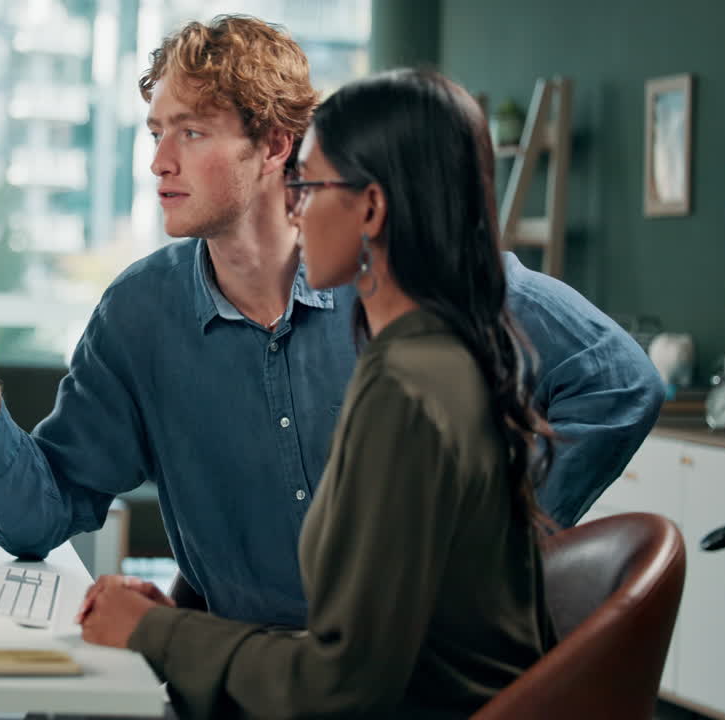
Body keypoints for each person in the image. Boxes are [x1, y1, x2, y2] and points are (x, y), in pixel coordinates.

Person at [0, 16, 662, 628]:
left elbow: (620, 381)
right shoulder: (139, 314)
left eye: (192, 131)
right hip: (241, 675)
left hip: (403, 678)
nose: (160, 162)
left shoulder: (397, 270)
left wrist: (499, 548)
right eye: (157, 132)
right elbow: (39, 520)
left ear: (274, 146)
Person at [80, 67, 555, 719]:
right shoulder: (441, 358)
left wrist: (152, 633)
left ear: (371, 208)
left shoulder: (407, 390)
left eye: (306, 183)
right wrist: (184, 624)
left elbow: (340, 685)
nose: (291, 205)